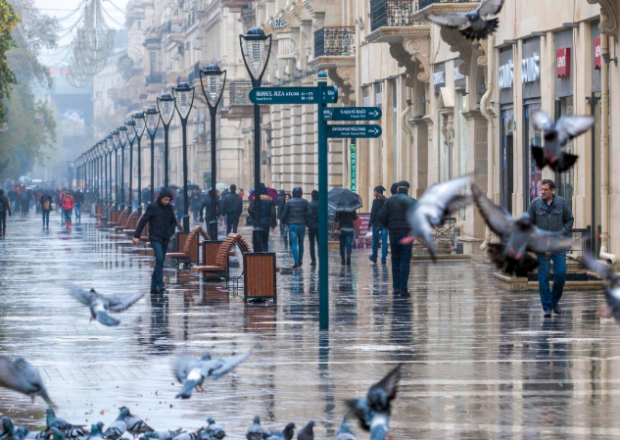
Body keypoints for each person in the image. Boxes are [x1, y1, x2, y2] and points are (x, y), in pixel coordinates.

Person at [527, 179, 574, 317]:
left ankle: (554, 301)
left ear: (552, 190)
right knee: (543, 277)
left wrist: (562, 233)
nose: (542, 192)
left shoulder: (561, 203)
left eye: (545, 189)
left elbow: (569, 220)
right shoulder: (535, 204)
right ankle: (547, 308)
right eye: (541, 189)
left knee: (560, 273)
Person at [133, 189, 182, 293]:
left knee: (160, 261)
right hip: (155, 237)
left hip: (165, 237)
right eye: (165, 200)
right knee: (159, 258)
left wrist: (171, 232)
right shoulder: (153, 207)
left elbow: (173, 221)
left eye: (169, 200)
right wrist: (136, 235)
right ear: (160, 198)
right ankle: (160, 283)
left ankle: (153, 286)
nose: (167, 202)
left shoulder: (170, 208)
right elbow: (143, 220)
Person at [379, 181, 416, 295]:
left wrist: (389, 226)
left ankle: (395, 287)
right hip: (407, 234)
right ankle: (403, 288)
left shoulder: (389, 201)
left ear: (398, 190)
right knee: (405, 261)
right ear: (408, 190)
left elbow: (381, 216)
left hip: (394, 233)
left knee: (395, 260)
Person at [281, 186, 309, 268]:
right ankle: (300, 260)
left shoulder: (289, 202)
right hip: (302, 224)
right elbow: (308, 213)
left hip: (292, 224)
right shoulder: (305, 202)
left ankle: (296, 261)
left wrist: (283, 222)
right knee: (301, 243)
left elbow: (284, 214)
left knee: (293, 243)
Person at [248, 183, 277, 252]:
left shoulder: (255, 199)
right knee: (265, 241)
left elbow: (250, 210)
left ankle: (257, 255)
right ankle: (265, 254)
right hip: (266, 222)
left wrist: (255, 216)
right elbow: (273, 213)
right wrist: (273, 225)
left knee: (257, 240)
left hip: (257, 222)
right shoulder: (270, 199)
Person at [369, 185, 388, 265]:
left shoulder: (375, 201)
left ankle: (374, 256)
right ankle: (383, 259)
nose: (373, 193)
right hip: (384, 224)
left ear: (378, 192)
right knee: (384, 242)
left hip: (377, 224)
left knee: (375, 241)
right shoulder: (386, 201)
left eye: (374, 191)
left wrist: (370, 223)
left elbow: (373, 213)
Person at [307, 190, 319, 266]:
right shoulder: (321, 204)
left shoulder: (309, 204)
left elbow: (307, 215)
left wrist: (307, 224)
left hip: (311, 226)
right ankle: (320, 257)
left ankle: (313, 260)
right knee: (319, 243)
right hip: (319, 226)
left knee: (311, 244)